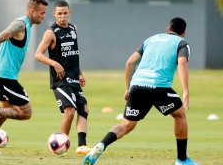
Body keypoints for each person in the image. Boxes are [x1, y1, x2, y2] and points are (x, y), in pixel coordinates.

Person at [83, 17, 200, 165]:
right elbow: (182, 64)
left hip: (138, 85)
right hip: (159, 87)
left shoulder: (151, 39)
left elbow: (130, 62)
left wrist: (128, 87)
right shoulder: (182, 43)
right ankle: (182, 160)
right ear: (183, 33)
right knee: (179, 115)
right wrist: (186, 92)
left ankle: (101, 145)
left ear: (167, 30)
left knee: (126, 125)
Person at [0, 0, 48, 154]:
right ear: (32, 11)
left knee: (5, 112)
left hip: (4, 75)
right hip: (4, 76)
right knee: (25, 113)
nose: (43, 16)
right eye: (42, 13)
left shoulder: (27, 25)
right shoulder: (19, 25)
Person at [35, 0, 91, 155]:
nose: (62, 16)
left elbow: (73, 54)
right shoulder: (51, 32)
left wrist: (79, 72)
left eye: (65, 13)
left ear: (69, 13)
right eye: (59, 13)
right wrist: (55, 64)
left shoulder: (74, 29)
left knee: (84, 109)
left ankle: (82, 146)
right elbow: (38, 54)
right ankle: (61, 145)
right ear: (54, 14)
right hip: (60, 80)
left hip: (73, 77)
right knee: (70, 111)